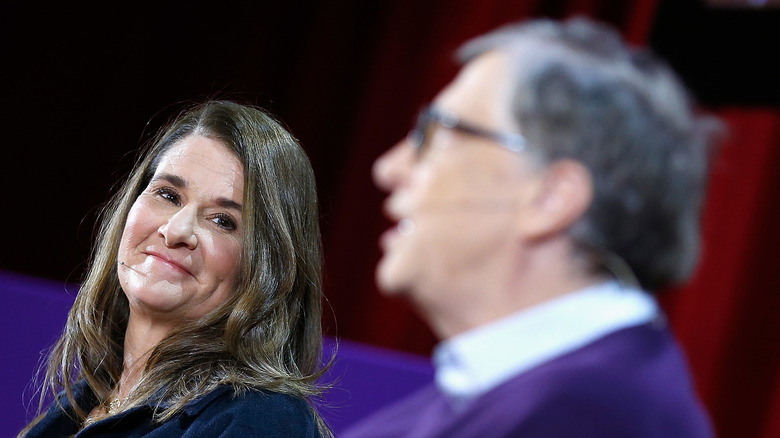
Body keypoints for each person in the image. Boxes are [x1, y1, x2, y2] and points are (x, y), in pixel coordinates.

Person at [343, 17, 720, 438]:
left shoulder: (591, 418)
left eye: (436, 134)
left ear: (550, 198)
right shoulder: (499, 396)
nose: (388, 169)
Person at [20, 101, 332, 437]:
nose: (176, 230)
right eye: (168, 195)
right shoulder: (82, 402)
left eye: (223, 221)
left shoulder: (262, 418)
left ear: (268, 270)